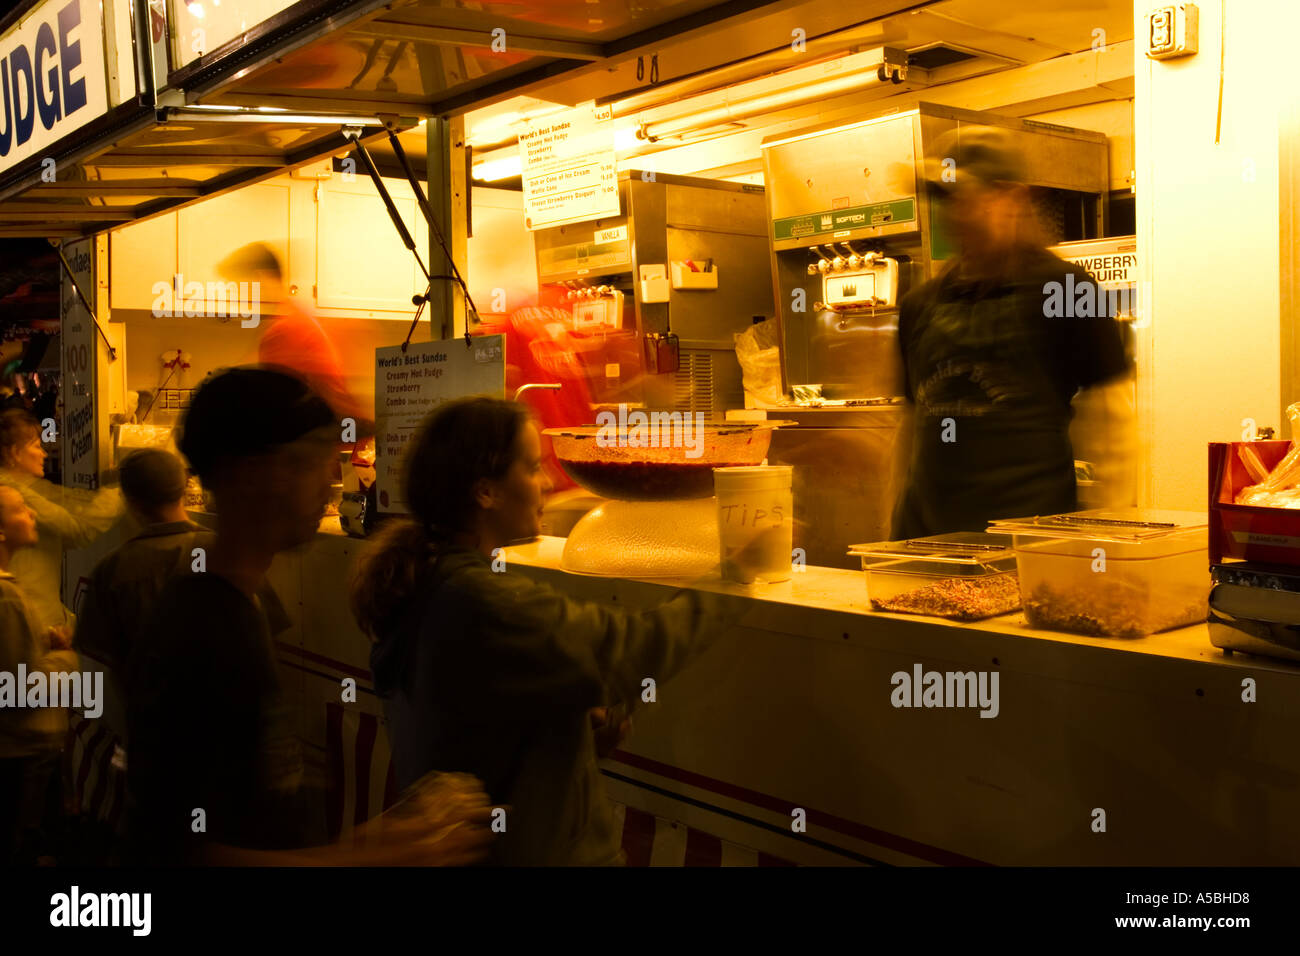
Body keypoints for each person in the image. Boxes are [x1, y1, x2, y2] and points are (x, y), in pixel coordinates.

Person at [349, 396, 749, 866]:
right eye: (532, 467)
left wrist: (574, 736)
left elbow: (485, 732)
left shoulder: (428, 578)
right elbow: (627, 650)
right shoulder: (481, 600)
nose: (544, 483)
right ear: (485, 492)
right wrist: (739, 570)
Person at [126, 368, 493, 865]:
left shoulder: (244, 602)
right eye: (316, 458)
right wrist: (377, 853)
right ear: (255, 471)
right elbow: (182, 852)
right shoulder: (203, 628)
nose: (332, 479)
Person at [891, 126, 1131, 539]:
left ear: (1012, 198)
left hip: (1025, 545)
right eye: (942, 199)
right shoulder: (920, 304)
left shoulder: (1068, 288)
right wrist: (890, 527)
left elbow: (1114, 430)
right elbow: (909, 427)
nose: (953, 212)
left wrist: (1105, 541)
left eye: (964, 197)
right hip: (926, 542)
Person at [0, 485, 78, 865]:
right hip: (19, 758)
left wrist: (39, 645)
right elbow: (19, 691)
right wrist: (68, 658)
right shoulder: (7, 597)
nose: (32, 516)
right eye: (21, 510)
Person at [0, 409, 123, 629]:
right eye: (37, 447)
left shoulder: (31, 489)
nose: (45, 454)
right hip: (30, 621)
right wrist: (127, 486)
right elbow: (79, 530)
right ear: (15, 453)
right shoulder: (15, 494)